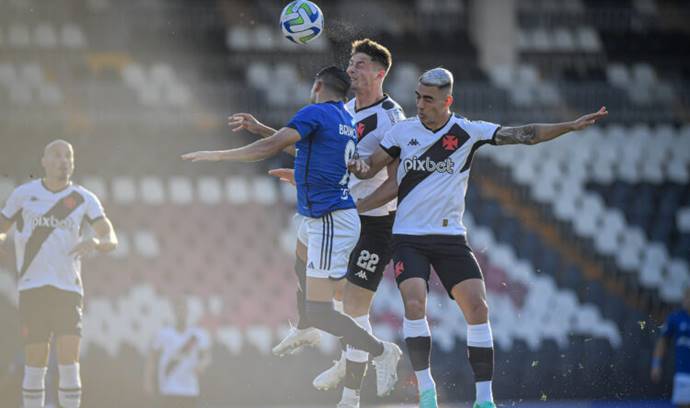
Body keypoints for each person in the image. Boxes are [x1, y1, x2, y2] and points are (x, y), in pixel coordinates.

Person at [348, 67, 608, 408]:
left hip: (450, 237)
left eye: (428, 99)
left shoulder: (468, 132)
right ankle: (427, 389)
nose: (420, 104)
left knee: (478, 308)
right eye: (417, 97)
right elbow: (369, 167)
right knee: (414, 303)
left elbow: (526, 134)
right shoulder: (401, 132)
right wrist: (330, 157)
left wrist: (569, 126)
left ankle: (484, 399)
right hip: (408, 236)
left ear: (447, 100)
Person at [181, 65, 402, 397]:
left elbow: (270, 148)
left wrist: (217, 156)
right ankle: (306, 326)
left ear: (317, 85)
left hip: (330, 220)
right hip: (321, 217)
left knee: (323, 310)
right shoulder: (343, 119)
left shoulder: (315, 112)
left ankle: (381, 351)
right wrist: (261, 130)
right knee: (300, 255)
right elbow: (306, 152)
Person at [0, 139, 118, 408]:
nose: (63, 160)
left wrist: (98, 243)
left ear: (73, 162)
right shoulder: (23, 194)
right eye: (56, 155)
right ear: (43, 161)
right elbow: (2, 226)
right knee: (35, 364)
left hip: (68, 289)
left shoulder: (83, 198)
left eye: (68, 156)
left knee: (69, 363)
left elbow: (110, 236)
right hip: (33, 288)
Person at [145, 296, 211, 408]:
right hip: (168, 387)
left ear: (188, 312)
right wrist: (148, 381)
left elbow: (207, 357)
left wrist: (202, 365)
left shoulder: (198, 334)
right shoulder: (163, 333)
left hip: (189, 388)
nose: (181, 313)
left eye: (184, 309)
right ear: (174, 311)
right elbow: (152, 358)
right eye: (178, 309)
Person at [652, 286, 690, 408]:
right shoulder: (675, 318)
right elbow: (662, 342)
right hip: (683, 372)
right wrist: (656, 364)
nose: (688, 300)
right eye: (687, 297)